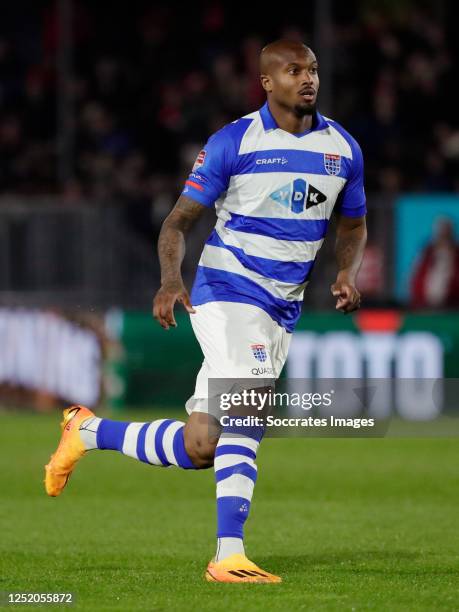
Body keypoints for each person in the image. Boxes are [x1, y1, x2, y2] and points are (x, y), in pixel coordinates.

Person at [44, 40, 367, 583]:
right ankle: (229, 554)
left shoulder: (344, 148)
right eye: (294, 71)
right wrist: (171, 279)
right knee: (250, 403)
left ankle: (89, 431)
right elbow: (176, 222)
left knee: (202, 446)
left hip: (281, 308)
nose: (307, 79)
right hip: (227, 291)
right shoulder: (234, 142)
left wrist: (345, 272)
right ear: (268, 82)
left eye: (312, 69)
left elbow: (353, 226)